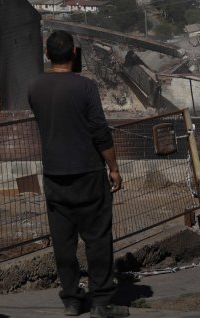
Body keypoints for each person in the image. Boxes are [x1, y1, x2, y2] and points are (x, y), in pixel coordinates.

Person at [28, 30, 129, 318]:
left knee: (63, 242)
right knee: (97, 239)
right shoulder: (85, 88)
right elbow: (100, 131)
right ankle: (101, 303)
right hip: (88, 174)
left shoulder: (34, 87)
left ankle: (72, 300)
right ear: (74, 53)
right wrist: (113, 168)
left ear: (48, 55)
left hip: (54, 177)